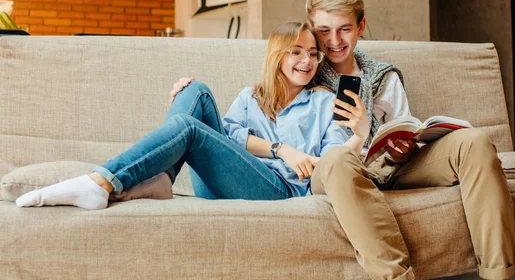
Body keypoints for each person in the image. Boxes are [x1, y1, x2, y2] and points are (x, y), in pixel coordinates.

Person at [16, 21, 369, 210]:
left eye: (313, 54)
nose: (307, 61)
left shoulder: (324, 102)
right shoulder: (251, 96)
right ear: (277, 56)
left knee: (188, 128)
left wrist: (358, 135)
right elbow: (228, 138)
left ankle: (101, 182)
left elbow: (333, 162)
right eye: (296, 52)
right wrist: (279, 147)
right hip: (222, 181)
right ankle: (161, 179)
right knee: (194, 90)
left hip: (278, 190)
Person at [305, 0, 515, 280]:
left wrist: (404, 149)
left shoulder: (384, 77)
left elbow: (402, 126)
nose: (334, 40)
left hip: (391, 168)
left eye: (345, 29)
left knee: (474, 142)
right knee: (339, 158)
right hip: (340, 170)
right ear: (312, 30)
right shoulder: (304, 76)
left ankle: (497, 273)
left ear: (361, 25)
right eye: (324, 31)